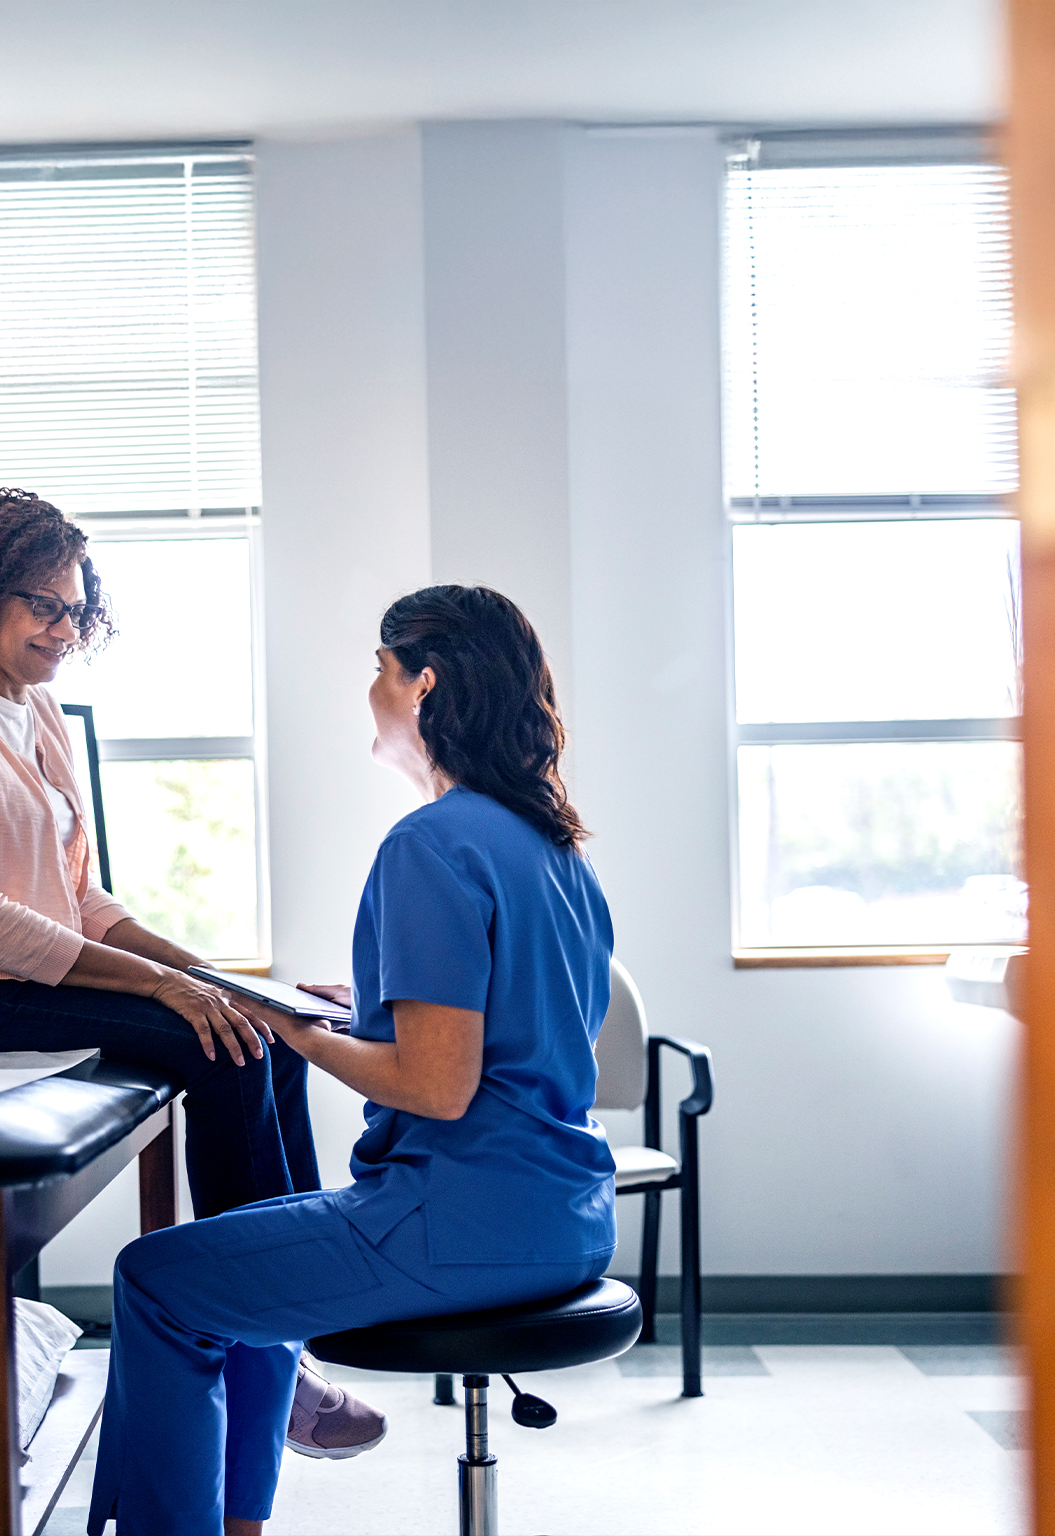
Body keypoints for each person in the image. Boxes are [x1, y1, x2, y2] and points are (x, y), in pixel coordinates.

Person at [0, 487, 383, 1454]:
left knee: (267, 1031)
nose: (65, 629)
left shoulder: (37, 711)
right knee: (218, 1050)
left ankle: (295, 1308)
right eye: (42, 606)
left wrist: (215, 975)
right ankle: (257, 1333)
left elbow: (80, 899)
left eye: (75, 607)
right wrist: (166, 992)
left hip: (11, 974)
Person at [87, 584, 619, 1536]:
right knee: (244, 1261)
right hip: (566, 1216)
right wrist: (366, 1004)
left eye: (378, 670)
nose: (369, 691)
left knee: (157, 1281)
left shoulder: (429, 842)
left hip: (458, 1220)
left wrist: (301, 1032)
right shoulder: (552, 846)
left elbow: (435, 1087)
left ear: (425, 685)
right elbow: (510, 1027)